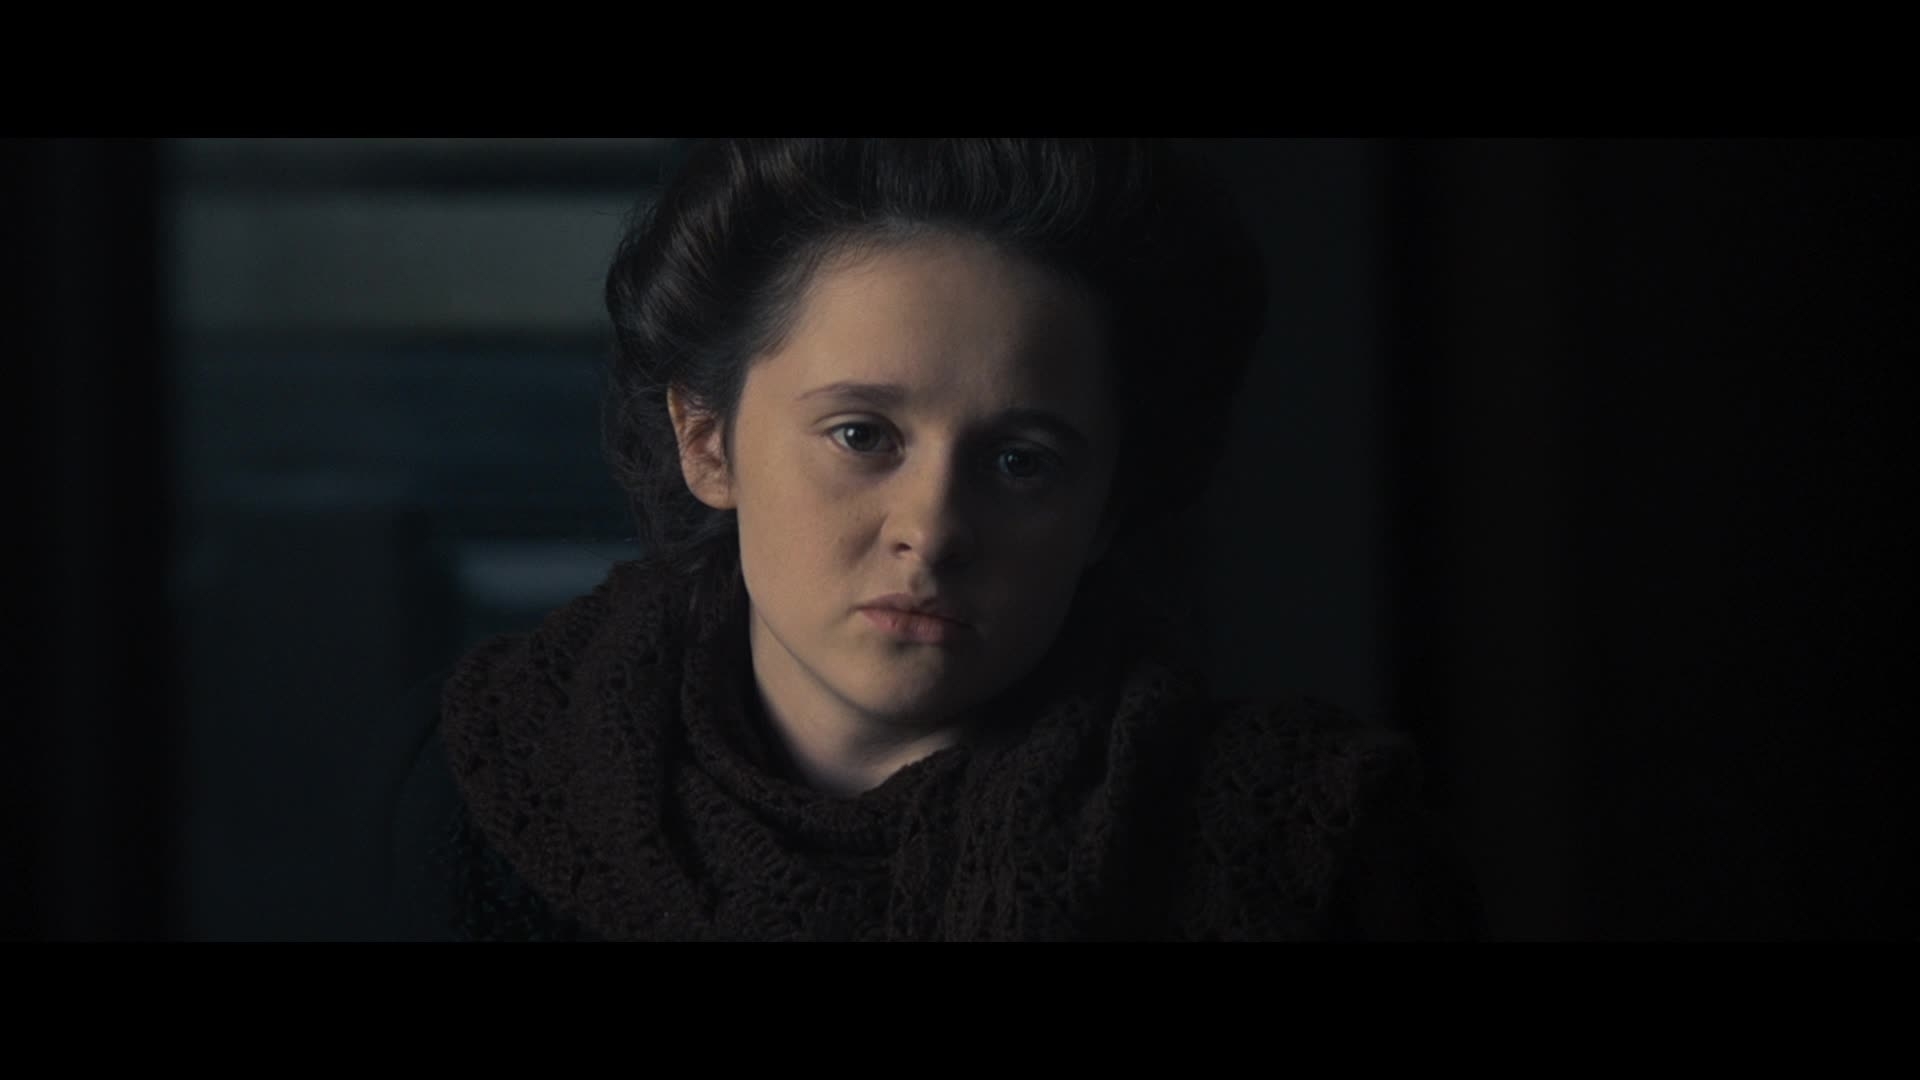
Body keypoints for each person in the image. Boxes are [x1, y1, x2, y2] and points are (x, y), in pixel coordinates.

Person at [384, 138, 1483, 941]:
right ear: (707, 441)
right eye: (861, 435)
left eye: (1021, 461)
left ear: (1107, 505)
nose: (933, 530)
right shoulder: (499, 788)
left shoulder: (1302, 844)